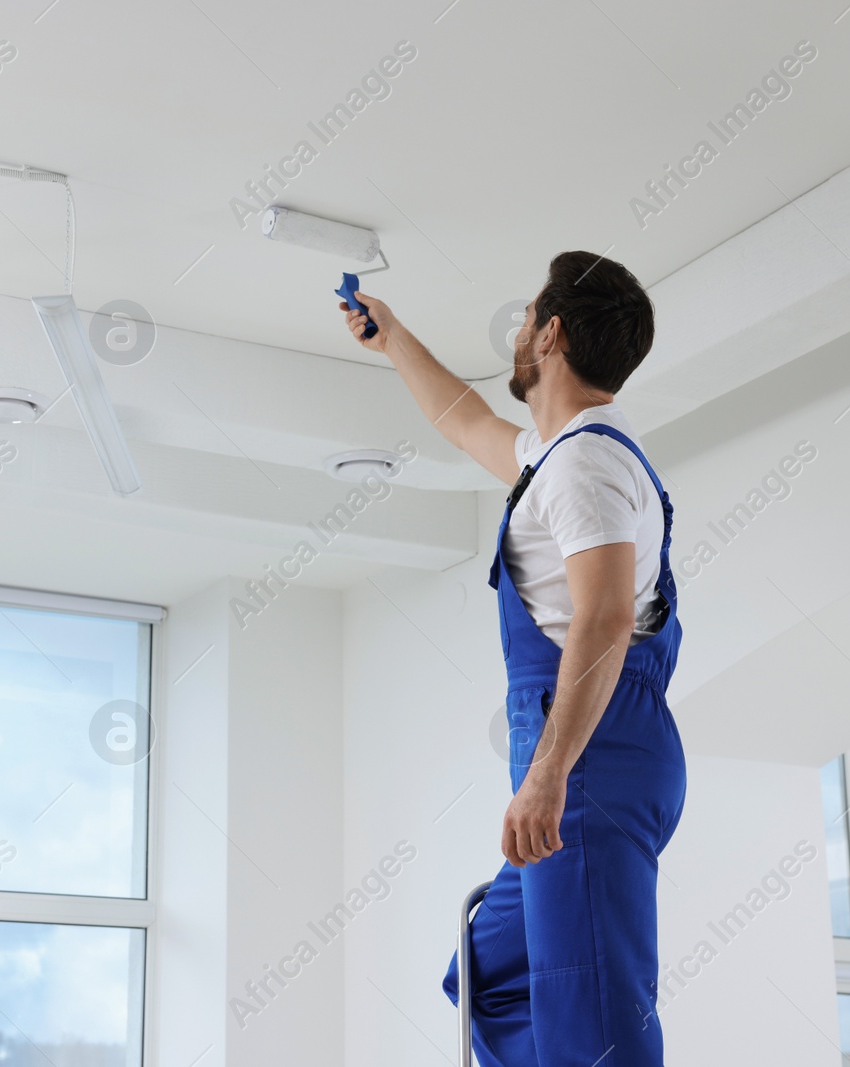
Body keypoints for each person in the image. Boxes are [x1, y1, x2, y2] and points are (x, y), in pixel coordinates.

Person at [342, 251, 686, 1065]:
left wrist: (549, 774)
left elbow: (602, 617)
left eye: (528, 319)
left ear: (552, 332)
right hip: (598, 749)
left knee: (593, 1013)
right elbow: (464, 420)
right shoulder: (564, 458)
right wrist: (393, 338)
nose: (520, 334)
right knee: (495, 977)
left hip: (588, 759)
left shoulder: (584, 467)